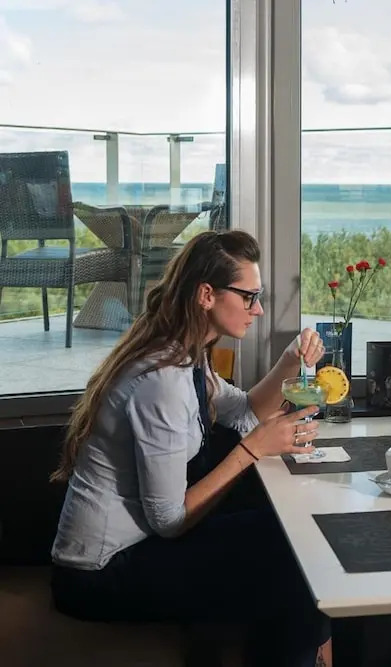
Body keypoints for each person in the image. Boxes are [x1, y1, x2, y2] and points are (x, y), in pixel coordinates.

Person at [50, 230, 335, 667]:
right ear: (206, 295)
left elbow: (244, 411)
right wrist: (253, 450)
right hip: (101, 571)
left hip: (142, 543)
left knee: (291, 537)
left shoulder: (186, 353)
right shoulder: (160, 380)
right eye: (249, 297)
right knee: (291, 568)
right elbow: (168, 521)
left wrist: (292, 358)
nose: (258, 310)